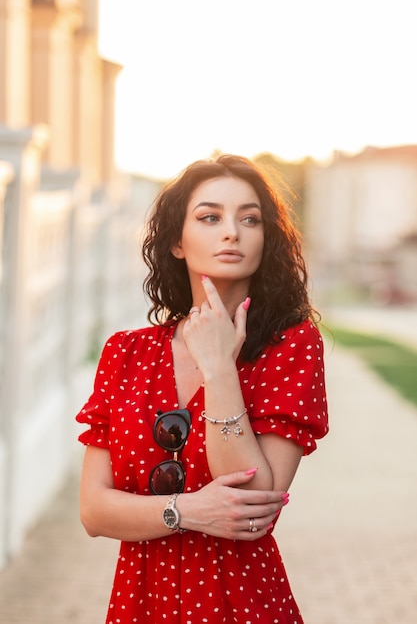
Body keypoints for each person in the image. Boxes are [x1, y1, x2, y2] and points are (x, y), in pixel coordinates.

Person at [76, 154, 329, 623]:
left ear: (265, 238)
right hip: (140, 603)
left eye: (249, 219)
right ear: (177, 241)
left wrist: (218, 368)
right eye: (210, 217)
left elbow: (254, 510)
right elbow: (94, 510)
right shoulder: (126, 352)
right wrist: (187, 511)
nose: (231, 231)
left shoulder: (291, 346)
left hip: (241, 603)